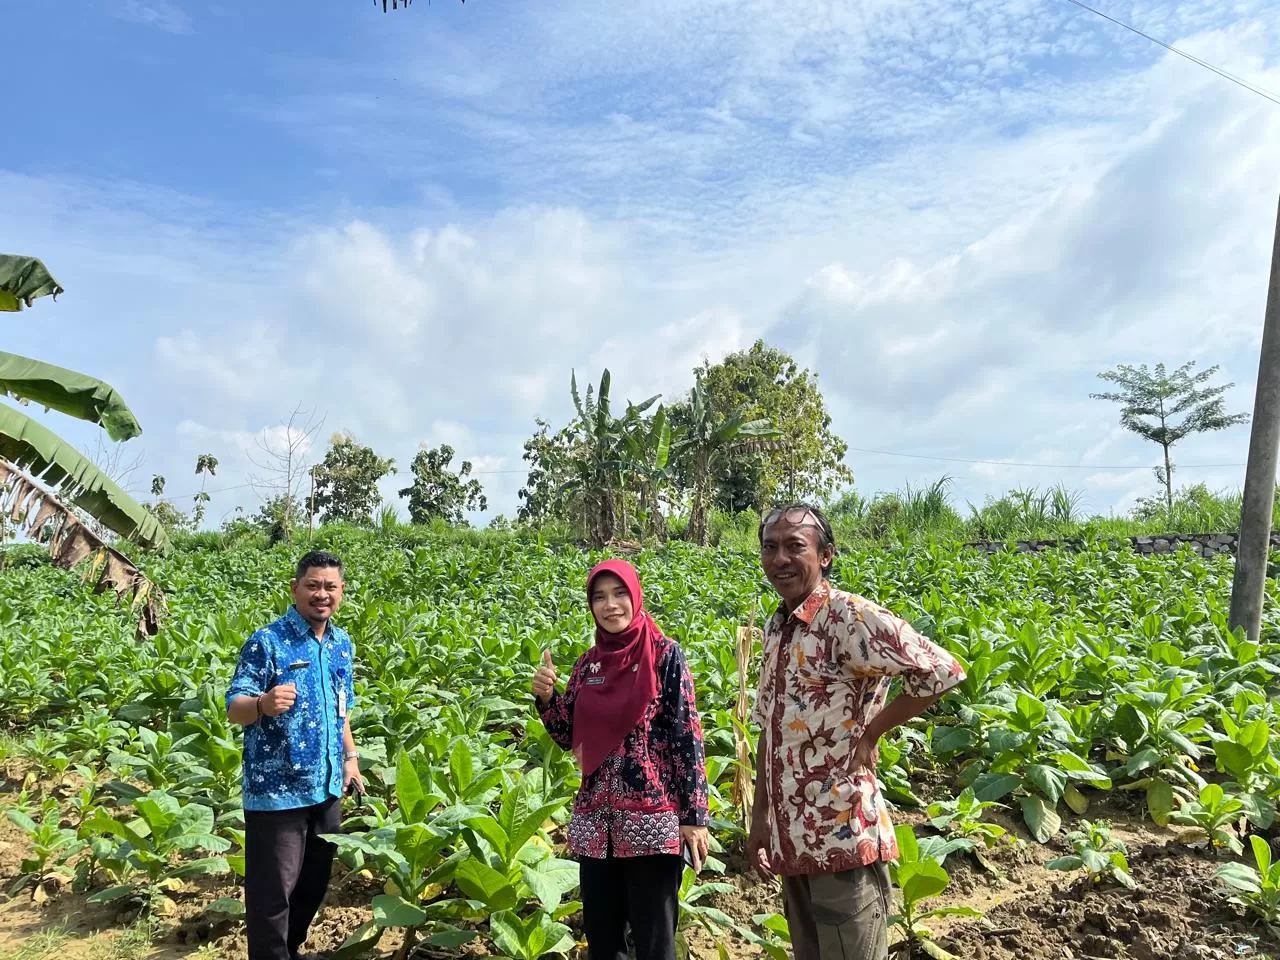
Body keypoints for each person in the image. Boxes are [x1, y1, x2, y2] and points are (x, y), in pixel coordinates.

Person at [746, 504, 965, 960]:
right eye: (770, 547)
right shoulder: (777, 626)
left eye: (795, 546)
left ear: (825, 555)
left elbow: (942, 670)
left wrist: (871, 733)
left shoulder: (846, 615)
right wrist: (761, 817)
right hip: (793, 841)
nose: (780, 558)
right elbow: (768, 723)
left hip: (843, 833)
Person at [532, 558, 710, 960]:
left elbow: (687, 736)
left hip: (652, 825)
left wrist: (695, 817)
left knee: (654, 945)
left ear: (636, 596)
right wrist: (546, 698)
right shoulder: (588, 664)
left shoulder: (665, 656)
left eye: (619, 594)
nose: (610, 605)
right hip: (596, 827)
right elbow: (567, 735)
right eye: (599, 597)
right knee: (604, 943)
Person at [225, 550, 363, 960]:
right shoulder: (267, 641)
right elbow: (234, 707)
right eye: (313, 585)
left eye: (330, 587)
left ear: (341, 591)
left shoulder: (341, 644)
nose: (322, 594)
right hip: (276, 790)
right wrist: (263, 704)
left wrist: (351, 758)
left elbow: (342, 709)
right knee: (273, 895)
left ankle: (288, 949)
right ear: (295, 589)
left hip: (327, 785)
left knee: (313, 884)